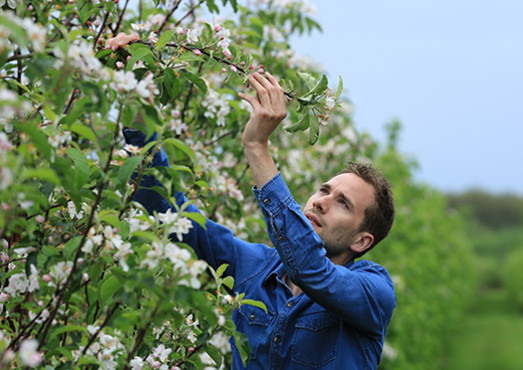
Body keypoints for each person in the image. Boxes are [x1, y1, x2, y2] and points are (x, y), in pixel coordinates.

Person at [111, 34, 397, 369]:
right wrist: (133, 92)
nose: (321, 202)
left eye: (343, 203)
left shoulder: (373, 292)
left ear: (362, 241)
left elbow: (310, 269)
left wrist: (257, 148)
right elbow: (164, 207)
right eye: (323, 190)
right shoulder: (253, 267)